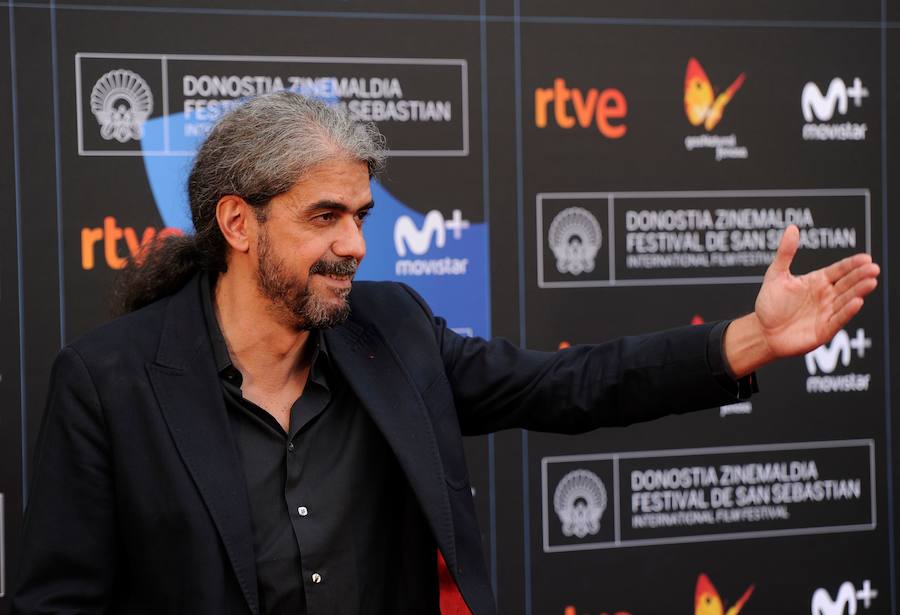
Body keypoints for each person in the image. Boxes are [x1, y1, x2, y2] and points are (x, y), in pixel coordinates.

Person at [13, 92, 879, 615]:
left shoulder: (391, 330)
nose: (355, 243)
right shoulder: (109, 383)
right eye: (325, 216)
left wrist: (751, 339)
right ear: (239, 222)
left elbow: (568, 383)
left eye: (362, 215)